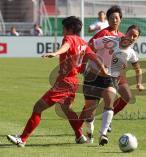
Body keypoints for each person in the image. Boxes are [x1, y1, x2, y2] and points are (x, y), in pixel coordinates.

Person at [6, 16, 107, 147]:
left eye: (63, 28)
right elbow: (94, 57)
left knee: (38, 107)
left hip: (64, 82)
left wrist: (56, 53)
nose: (62, 31)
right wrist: (103, 69)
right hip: (73, 81)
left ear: (69, 28)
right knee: (66, 109)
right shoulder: (83, 42)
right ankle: (79, 135)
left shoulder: (69, 38)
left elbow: (66, 46)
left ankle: (22, 139)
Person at [80, 25, 143, 146]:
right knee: (90, 111)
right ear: (126, 33)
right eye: (130, 34)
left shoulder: (131, 53)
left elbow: (138, 69)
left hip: (110, 79)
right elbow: (89, 47)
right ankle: (90, 131)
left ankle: (103, 134)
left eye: (135, 36)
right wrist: (87, 63)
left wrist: (139, 83)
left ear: (137, 39)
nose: (132, 37)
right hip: (92, 76)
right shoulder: (109, 40)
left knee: (109, 103)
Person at [83, 5, 133, 134]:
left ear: (120, 19)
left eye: (116, 18)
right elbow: (89, 48)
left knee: (125, 96)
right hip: (97, 73)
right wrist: (98, 63)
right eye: (111, 18)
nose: (114, 20)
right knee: (91, 107)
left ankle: (107, 120)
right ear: (108, 19)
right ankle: (86, 125)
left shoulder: (122, 36)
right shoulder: (103, 33)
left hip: (114, 73)